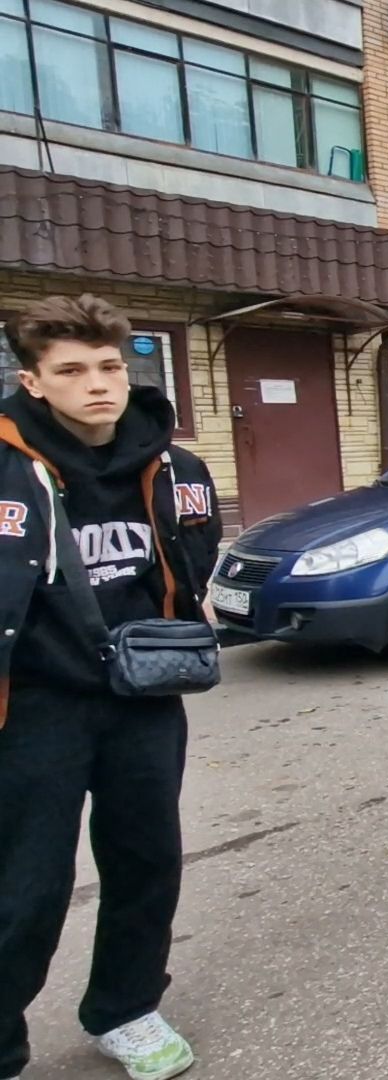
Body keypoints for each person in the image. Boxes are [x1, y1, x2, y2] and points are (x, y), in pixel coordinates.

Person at [0, 295, 220, 1080]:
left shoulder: (175, 464)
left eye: (108, 367)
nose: (97, 385)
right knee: (26, 884)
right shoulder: (6, 466)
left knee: (147, 860)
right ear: (32, 380)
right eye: (71, 371)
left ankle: (126, 1009)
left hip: (144, 699)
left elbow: (197, 558)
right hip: (34, 705)